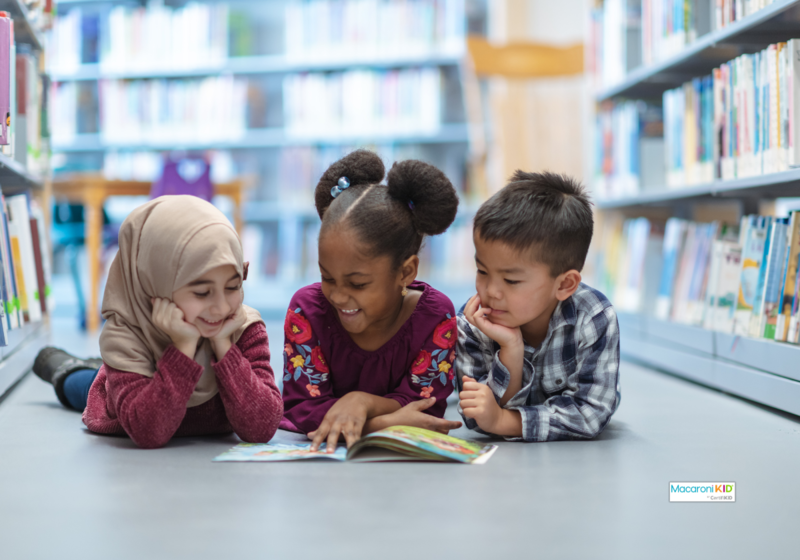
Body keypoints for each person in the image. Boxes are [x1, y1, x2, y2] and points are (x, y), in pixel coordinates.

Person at [32, 196, 283, 449]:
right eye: (201, 292)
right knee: (82, 384)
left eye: (233, 286)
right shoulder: (126, 336)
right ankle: (63, 366)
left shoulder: (243, 327)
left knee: (104, 370)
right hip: (121, 400)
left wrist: (223, 346)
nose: (220, 308)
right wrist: (184, 347)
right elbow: (148, 432)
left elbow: (262, 427)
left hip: (155, 373)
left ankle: (98, 366)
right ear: (156, 281)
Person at [281, 149, 463, 452]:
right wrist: (381, 424)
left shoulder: (436, 317)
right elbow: (302, 409)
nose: (338, 295)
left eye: (358, 283)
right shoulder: (307, 310)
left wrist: (360, 402)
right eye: (327, 277)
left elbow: (424, 410)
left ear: (406, 272)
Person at [456, 171, 620, 441]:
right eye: (482, 270)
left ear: (565, 284)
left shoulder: (594, 317)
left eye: (511, 280)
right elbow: (476, 417)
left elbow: (591, 414)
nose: (491, 291)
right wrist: (511, 349)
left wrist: (503, 421)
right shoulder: (472, 321)